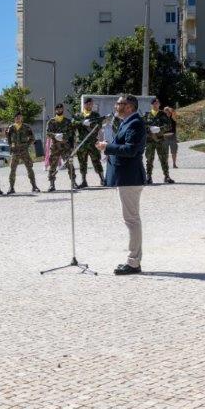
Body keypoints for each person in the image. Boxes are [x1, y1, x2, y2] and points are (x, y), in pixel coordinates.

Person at [97, 95, 147, 276]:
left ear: (129, 106)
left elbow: (130, 150)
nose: (116, 106)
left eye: (119, 103)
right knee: (131, 219)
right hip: (125, 177)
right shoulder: (127, 122)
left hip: (130, 177)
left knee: (132, 220)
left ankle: (134, 262)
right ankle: (134, 260)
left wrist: (107, 147)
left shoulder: (135, 123)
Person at [6, 112, 39, 194]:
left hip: (24, 151)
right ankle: (11, 187)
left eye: (20, 117)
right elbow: (8, 139)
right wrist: (11, 146)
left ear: (22, 118)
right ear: (15, 118)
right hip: (15, 152)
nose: (18, 119)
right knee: (12, 170)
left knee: (29, 168)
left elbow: (32, 138)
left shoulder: (26, 127)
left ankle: (34, 186)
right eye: (17, 117)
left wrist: (26, 145)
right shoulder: (11, 128)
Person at [75, 98, 105, 188]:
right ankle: (84, 181)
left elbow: (99, 125)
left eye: (91, 104)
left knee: (96, 161)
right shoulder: (78, 115)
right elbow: (73, 123)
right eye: (88, 104)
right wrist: (82, 122)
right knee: (82, 162)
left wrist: (90, 124)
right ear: (84, 105)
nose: (90, 106)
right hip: (82, 143)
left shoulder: (95, 115)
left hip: (92, 142)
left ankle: (102, 179)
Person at [46, 103, 76, 192]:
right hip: (55, 147)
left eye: (61, 109)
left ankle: (73, 182)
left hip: (65, 147)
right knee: (53, 166)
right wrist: (55, 135)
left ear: (63, 109)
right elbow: (48, 133)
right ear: (55, 110)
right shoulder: (51, 121)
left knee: (69, 164)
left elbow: (71, 133)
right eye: (58, 109)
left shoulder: (67, 121)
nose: (59, 110)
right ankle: (52, 184)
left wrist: (63, 135)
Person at [144, 98, 175, 184]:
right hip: (150, 140)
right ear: (151, 105)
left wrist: (159, 129)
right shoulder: (146, 115)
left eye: (157, 103)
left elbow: (169, 126)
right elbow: (142, 126)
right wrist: (149, 129)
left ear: (159, 104)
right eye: (154, 103)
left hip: (160, 140)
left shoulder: (163, 114)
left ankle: (166, 176)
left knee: (163, 158)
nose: (156, 104)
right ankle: (148, 176)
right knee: (149, 159)